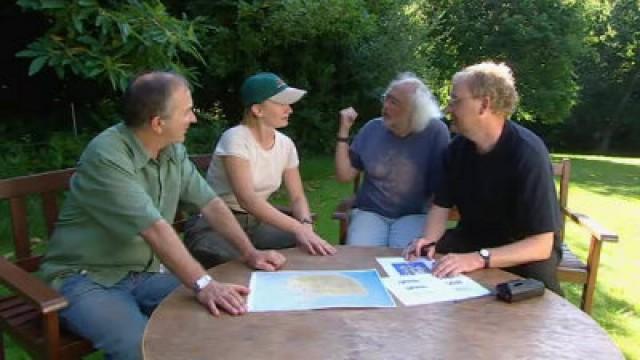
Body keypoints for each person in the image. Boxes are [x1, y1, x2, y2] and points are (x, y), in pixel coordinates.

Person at [40, 71, 286, 360]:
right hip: (86, 278)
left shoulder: (171, 150)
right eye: (187, 111)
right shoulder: (107, 157)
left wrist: (250, 253)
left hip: (144, 274)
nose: (193, 118)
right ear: (158, 123)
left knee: (231, 311)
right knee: (142, 348)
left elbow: (210, 203)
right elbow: (154, 228)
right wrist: (204, 284)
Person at [403, 61, 563, 294]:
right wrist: (429, 240)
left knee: (534, 310)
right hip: (472, 241)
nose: (448, 109)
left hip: (522, 256)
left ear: (484, 105)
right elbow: (440, 207)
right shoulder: (455, 151)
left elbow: (541, 245)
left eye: (456, 100)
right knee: (422, 261)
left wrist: (478, 259)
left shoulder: (527, 153)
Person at [184, 72, 336, 269]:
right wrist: (297, 227)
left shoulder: (285, 144)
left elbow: (297, 196)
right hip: (214, 225)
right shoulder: (235, 139)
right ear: (257, 109)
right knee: (238, 263)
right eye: (281, 103)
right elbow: (247, 199)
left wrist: (306, 225)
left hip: (258, 224)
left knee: (309, 248)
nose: (289, 109)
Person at [335, 72, 450, 248]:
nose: (385, 106)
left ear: (414, 111)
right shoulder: (372, 129)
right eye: (386, 98)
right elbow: (344, 175)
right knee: (359, 255)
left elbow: (441, 188)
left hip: (414, 214)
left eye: (394, 102)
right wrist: (344, 130)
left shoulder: (435, 132)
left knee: (406, 259)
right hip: (370, 212)